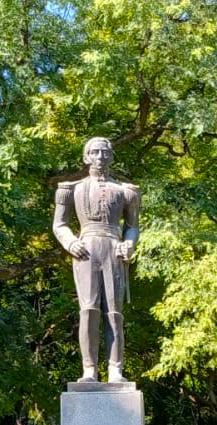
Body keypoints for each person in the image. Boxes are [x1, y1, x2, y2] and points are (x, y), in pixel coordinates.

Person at [52, 136, 141, 382]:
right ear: (86, 156)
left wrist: (129, 243)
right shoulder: (71, 189)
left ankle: (115, 369)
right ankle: (89, 369)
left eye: (105, 153)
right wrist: (70, 242)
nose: (100, 157)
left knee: (114, 312)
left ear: (111, 157)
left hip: (113, 248)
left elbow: (132, 226)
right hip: (85, 249)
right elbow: (59, 224)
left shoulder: (126, 191)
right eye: (95, 152)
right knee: (89, 309)